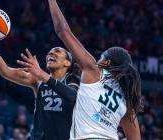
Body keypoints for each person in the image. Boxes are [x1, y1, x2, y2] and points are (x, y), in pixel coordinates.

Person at [47, 0, 143, 139]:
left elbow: (62, 30)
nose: (97, 60)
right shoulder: (127, 99)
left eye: (101, 57)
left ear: (106, 62)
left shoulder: (94, 70)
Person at [0, 22, 80, 140]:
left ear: (67, 63)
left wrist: (42, 74)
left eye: (57, 51)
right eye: (49, 53)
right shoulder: (38, 80)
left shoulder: (73, 80)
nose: (51, 53)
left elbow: (72, 96)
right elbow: (5, 71)